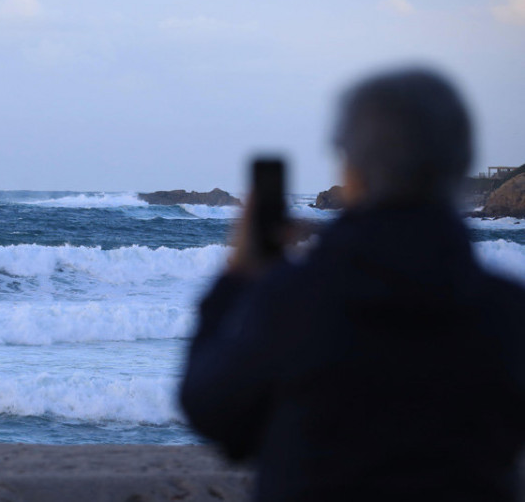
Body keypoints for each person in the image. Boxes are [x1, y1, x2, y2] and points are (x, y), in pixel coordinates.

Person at [180, 68, 525, 501]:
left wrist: (235, 277)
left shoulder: (294, 300)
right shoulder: (506, 312)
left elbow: (211, 410)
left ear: (354, 169)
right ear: (458, 164)